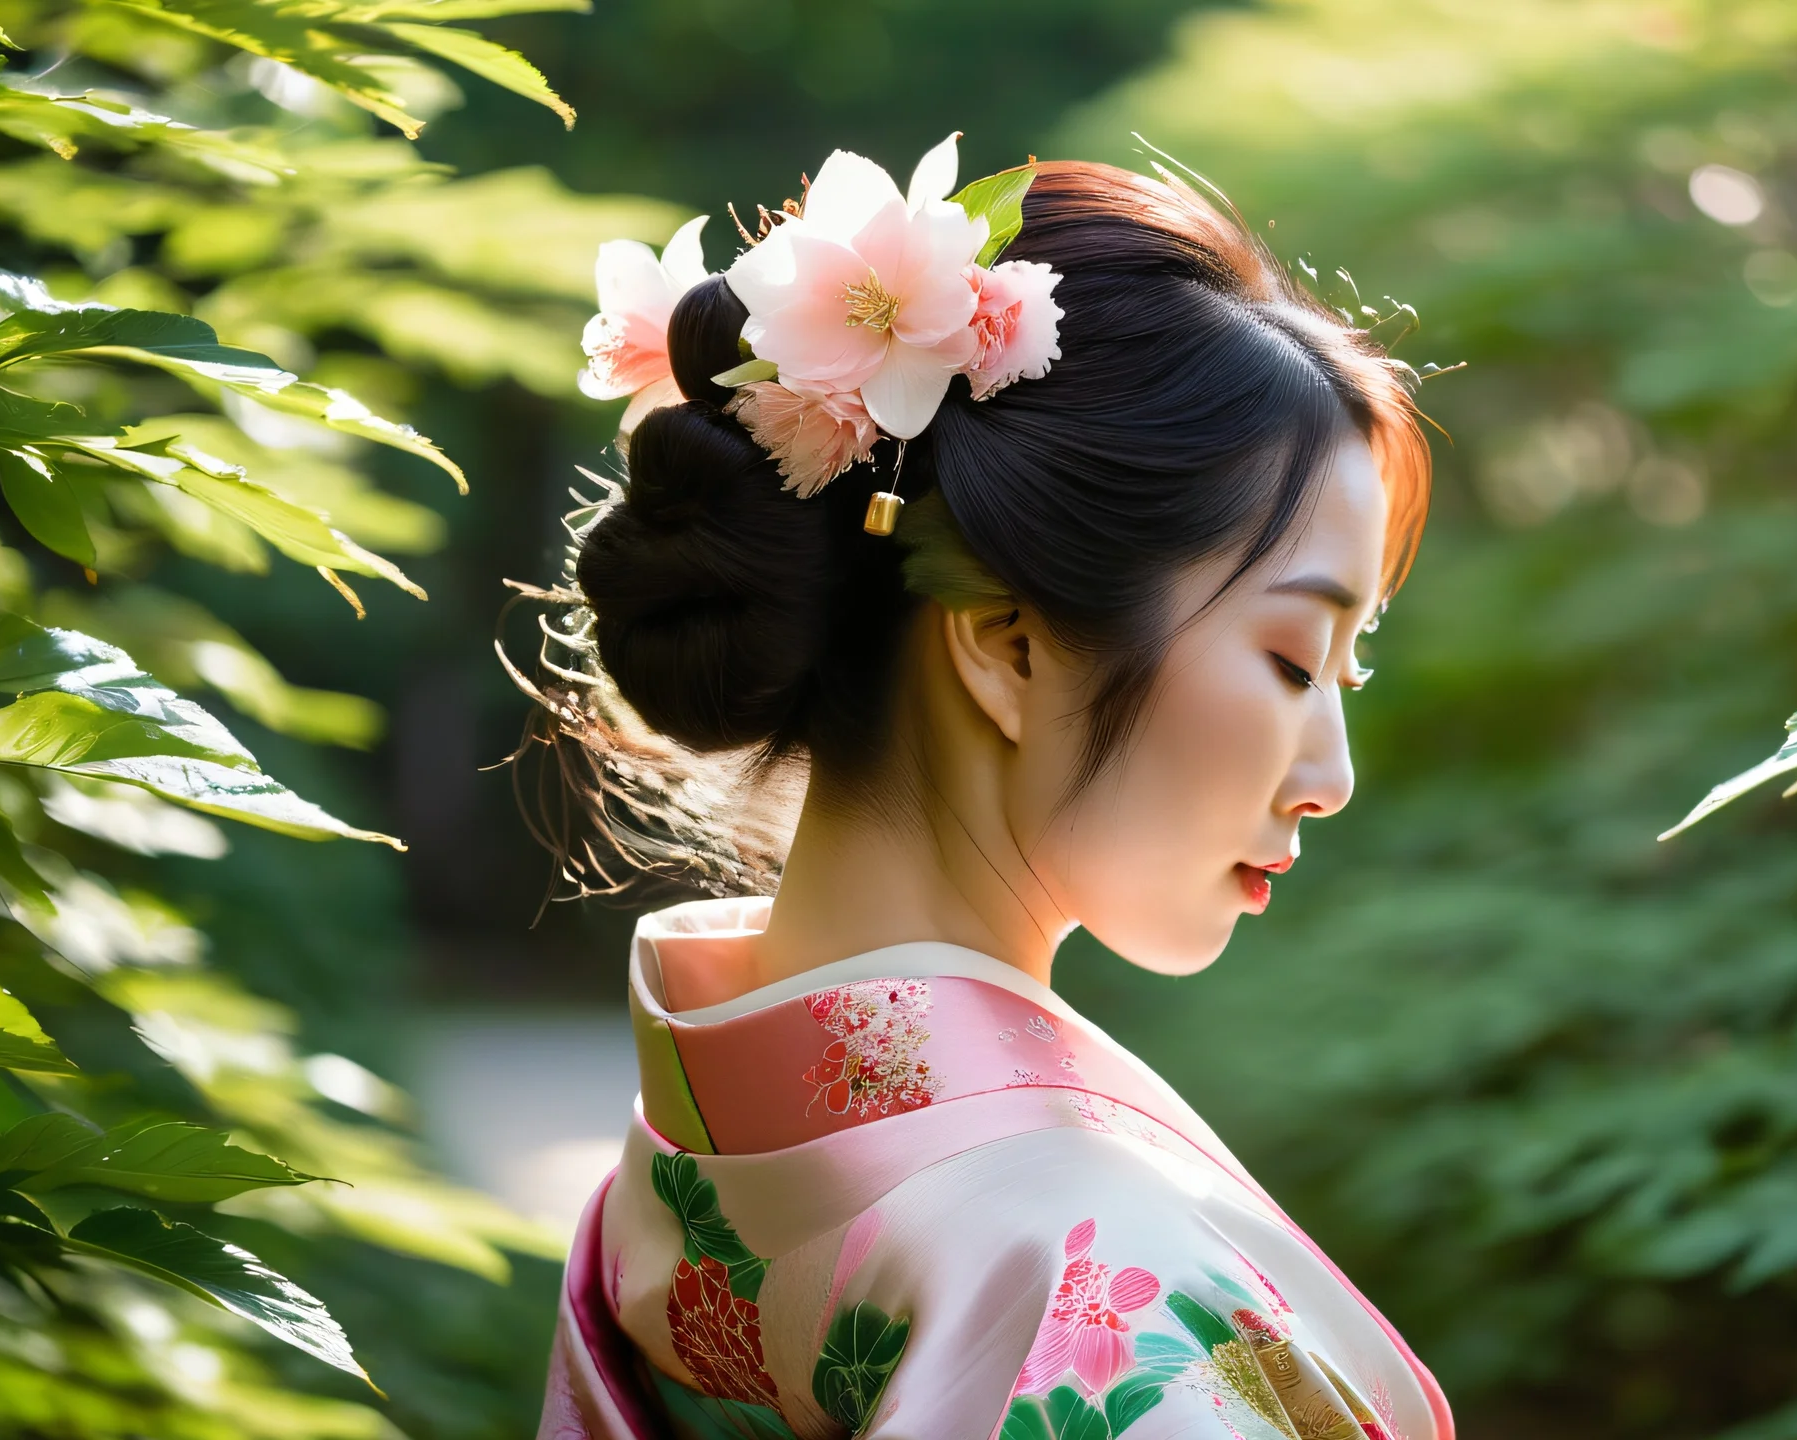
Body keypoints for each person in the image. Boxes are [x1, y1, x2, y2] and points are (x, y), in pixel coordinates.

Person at [536, 134, 1446, 1440]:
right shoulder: (1088, 1275)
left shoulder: (681, 1184)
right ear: (1009, 645)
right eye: (1295, 661)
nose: (1331, 778)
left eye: (1343, 678)